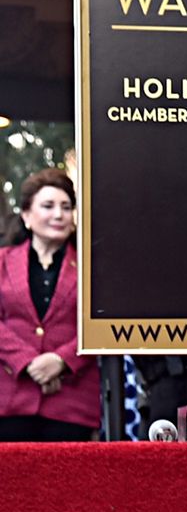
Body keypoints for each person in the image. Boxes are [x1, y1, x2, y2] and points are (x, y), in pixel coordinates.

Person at [0, 169, 100, 442]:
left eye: (66, 207)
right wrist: (28, 362)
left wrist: (62, 361)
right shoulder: (3, 261)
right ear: (27, 216)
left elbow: (102, 323)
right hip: (9, 400)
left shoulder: (92, 266)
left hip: (72, 403)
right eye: (48, 206)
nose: (59, 215)